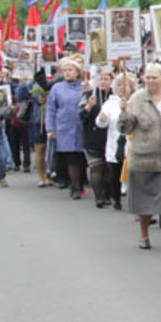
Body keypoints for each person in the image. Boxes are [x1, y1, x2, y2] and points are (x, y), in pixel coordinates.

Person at [119, 63, 161, 252]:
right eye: (147, 77)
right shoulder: (136, 99)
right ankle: (144, 235)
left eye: (154, 77)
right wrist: (124, 113)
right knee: (144, 200)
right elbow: (126, 128)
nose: (150, 81)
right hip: (143, 158)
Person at [46, 56, 86, 200]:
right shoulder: (57, 88)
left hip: (81, 127)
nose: (67, 73)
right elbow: (51, 109)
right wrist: (50, 128)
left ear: (78, 72)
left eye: (71, 70)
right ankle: (74, 187)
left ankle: (80, 184)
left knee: (81, 158)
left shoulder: (85, 86)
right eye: (65, 70)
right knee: (71, 158)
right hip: (63, 126)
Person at [96, 72, 135, 211]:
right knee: (114, 173)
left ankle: (133, 201)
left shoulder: (136, 101)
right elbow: (102, 123)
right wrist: (101, 119)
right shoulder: (110, 103)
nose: (121, 88)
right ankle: (115, 198)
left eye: (125, 85)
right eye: (118, 85)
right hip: (115, 142)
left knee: (132, 174)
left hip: (132, 143)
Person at [79, 66, 113, 209]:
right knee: (96, 167)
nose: (103, 82)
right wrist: (88, 107)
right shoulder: (89, 95)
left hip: (110, 138)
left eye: (106, 79)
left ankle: (107, 194)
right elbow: (80, 116)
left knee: (108, 169)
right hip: (93, 136)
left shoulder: (114, 95)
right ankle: (98, 197)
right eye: (100, 79)